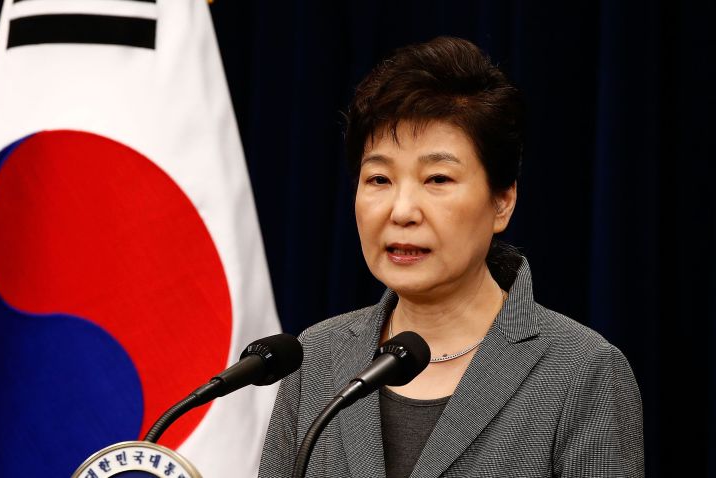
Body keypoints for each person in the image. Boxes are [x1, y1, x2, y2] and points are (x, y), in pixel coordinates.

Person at [258, 36, 644, 478]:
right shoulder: (316, 358)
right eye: (379, 179)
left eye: (437, 178)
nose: (401, 211)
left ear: (502, 202)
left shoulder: (580, 370)